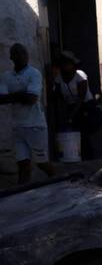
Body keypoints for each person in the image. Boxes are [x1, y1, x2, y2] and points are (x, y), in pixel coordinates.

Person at [0, 44, 55, 184]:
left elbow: (32, 99)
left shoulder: (34, 73)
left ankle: (62, 181)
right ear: (11, 57)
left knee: (41, 163)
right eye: (17, 53)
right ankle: (22, 194)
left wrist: (13, 96)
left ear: (27, 55)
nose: (21, 56)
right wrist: (21, 95)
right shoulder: (6, 76)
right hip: (17, 126)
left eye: (23, 53)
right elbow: (2, 99)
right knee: (22, 164)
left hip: (35, 126)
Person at [53, 50, 99, 159]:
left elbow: (81, 97)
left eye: (68, 63)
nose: (66, 66)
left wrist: (71, 115)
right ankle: (76, 156)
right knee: (73, 132)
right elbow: (59, 97)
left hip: (85, 106)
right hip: (71, 107)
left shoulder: (80, 75)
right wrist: (64, 113)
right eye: (64, 64)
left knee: (84, 132)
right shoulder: (59, 79)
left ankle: (89, 158)